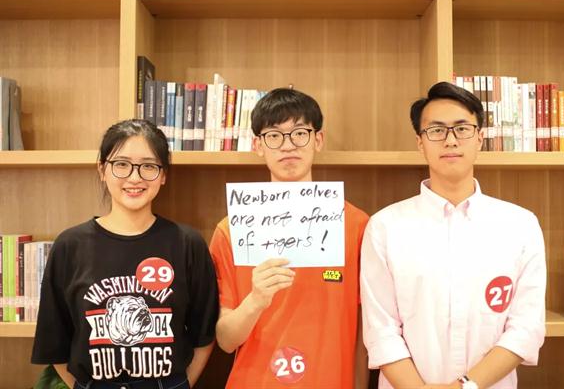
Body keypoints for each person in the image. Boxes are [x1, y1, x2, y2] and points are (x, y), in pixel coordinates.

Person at [360, 82, 546, 389]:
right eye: (436, 130)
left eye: (462, 129)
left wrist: (466, 386)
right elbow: (381, 330)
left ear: (480, 138)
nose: (450, 140)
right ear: (420, 143)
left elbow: (525, 329)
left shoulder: (520, 225)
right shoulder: (385, 227)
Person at [31, 119, 219, 389]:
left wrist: (182, 384)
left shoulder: (187, 243)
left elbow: (204, 333)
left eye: (148, 166)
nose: (134, 177)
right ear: (102, 170)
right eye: (121, 164)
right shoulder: (70, 245)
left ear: (163, 175)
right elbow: (55, 340)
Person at [209, 88, 370, 388]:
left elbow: (365, 331)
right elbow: (226, 340)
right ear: (258, 145)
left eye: (299, 133)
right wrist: (256, 300)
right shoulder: (230, 231)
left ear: (318, 140)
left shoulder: (357, 226)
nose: (287, 145)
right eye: (274, 135)